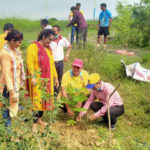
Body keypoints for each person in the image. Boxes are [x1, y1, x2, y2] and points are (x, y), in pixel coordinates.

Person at [26, 29, 59, 132]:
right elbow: (29, 63)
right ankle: (34, 124)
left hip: (48, 80)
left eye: (52, 40)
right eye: (50, 39)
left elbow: (52, 64)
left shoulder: (48, 49)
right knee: (37, 101)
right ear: (43, 36)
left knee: (45, 99)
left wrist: (56, 77)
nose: (51, 42)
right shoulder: (33, 47)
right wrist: (33, 76)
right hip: (37, 79)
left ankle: (40, 119)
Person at [0, 30, 25, 130]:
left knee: (11, 106)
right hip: (8, 86)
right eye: (19, 42)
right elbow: (6, 73)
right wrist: (12, 91)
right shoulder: (5, 54)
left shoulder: (14, 51)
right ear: (12, 41)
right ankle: (8, 132)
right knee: (6, 108)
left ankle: (8, 129)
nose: (20, 45)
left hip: (15, 84)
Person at [50, 25, 71, 95]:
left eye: (54, 31)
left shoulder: (63, 40)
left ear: (59, 31)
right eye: (52, 31)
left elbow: (69, 46)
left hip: (60, 63)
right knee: (50, 79)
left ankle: (55, 94)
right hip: (51, 63)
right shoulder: (49, 40)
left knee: (59, 79)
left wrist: (67, 55)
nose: (53, 32)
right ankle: (49, 93)